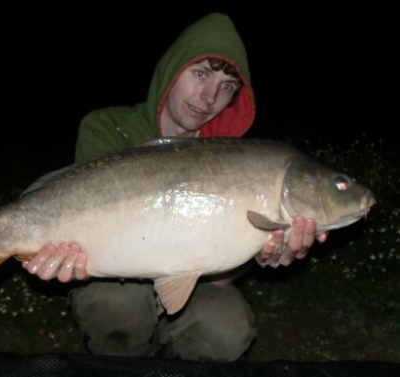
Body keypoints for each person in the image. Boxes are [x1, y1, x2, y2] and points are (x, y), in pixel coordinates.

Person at [22, 12, 327, 362]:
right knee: (116, 305)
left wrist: (261, 252)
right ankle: (119, 362)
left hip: (192, 284)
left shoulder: (235, 164)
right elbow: (84, 227)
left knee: (227, 326)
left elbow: (217, 280)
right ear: (170, 72)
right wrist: (58, 252)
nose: (209, 96)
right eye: (200, 74)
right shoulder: (106, 128)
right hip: (116, 282)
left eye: (227, 86)